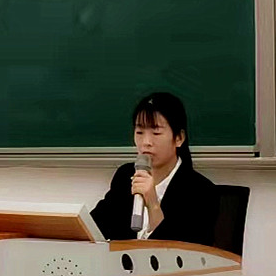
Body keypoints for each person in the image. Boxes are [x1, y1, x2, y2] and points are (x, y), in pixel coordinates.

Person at [91, 92, 219, 247]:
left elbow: (182, 252)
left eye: (156, 133)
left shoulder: (201, 191)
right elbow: (94, 228)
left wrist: (153, 203)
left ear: (179, 138)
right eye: (139, 132)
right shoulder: (125, 175)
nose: (146, 142)